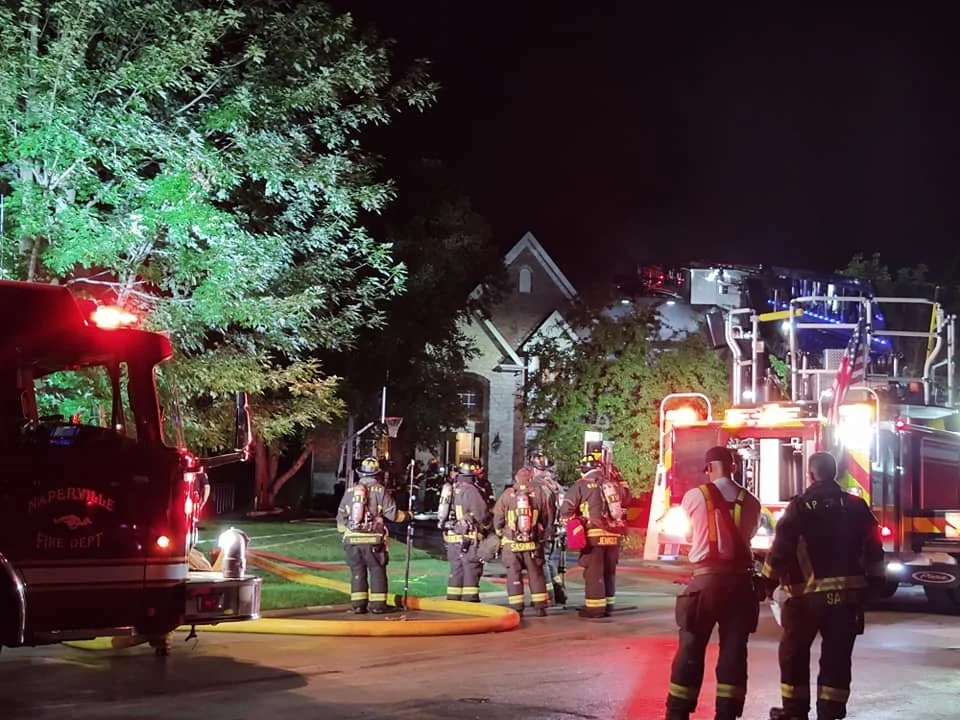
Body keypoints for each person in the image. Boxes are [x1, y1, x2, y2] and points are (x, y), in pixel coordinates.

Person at [763, 452, 883, 720]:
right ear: (836, 475)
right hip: (846, 599)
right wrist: (875, 585)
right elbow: (874, 549)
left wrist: (767, 582)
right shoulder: (856, 506)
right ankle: (830, 712)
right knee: (837, 657)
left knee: (793, 654)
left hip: (805, 599)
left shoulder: (799, 507)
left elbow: (780, 549)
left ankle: (794, 712)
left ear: (811, 475)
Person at [664, 446, 762, 720]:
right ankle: (728, 713)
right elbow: (750, 535)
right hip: (741, 585)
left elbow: (687, 535)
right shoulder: (751, 501)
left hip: (705, 582)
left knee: (691, 648)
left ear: (709, 468)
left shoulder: (694, 496)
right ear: (733, 467)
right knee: (734, 650)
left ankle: (678, 712)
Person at [559, 453, 631, 619]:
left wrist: (577, 520)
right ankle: (609, 605)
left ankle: (595, 608)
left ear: (583, 470)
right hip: (614, 536)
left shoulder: (581, 485)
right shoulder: (612, 484)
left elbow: (566, 509)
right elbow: (627, 499)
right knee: (609, 572)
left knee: (594, 573)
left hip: (594, 535)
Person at [336, 457, 409, 614]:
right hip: (373, 541)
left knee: (357, 571)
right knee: (377, 571)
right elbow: (393, 515)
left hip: (351, 541)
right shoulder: (380, 490)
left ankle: (358, 605)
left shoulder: (350, 491)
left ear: (360, 473)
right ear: (377, 474)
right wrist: (408, 515)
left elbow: (340, 521)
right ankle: (378, 606)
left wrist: (349, 533)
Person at [493, 467, 551, 617]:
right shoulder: (539, 494)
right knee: (536, 573)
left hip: (511, 543)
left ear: (516, 479)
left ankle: (516, 606)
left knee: (514, 573)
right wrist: (541, 532)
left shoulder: (507, 494)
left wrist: (499, 531)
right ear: (530, 479)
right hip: (533, 543)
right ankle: (540, 606)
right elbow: (546, 516)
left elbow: (498, 516)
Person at [440, 459, 492, 602]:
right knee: (471, 569)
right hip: (468, 539)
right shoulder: (471, 490)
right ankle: (470, 600)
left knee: (456, 570)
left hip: (452, 538)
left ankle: (453, 599)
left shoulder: (453, 487)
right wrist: (488, 527)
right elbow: (482, 514)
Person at [529, 451, 567, 605]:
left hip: (544, 530)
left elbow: (538, 510)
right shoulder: (556, 485)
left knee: (542, 563)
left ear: (535, 469)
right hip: (557, 531)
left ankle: (548, 595)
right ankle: (559, 593)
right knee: (550, 561)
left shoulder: (536, 486)